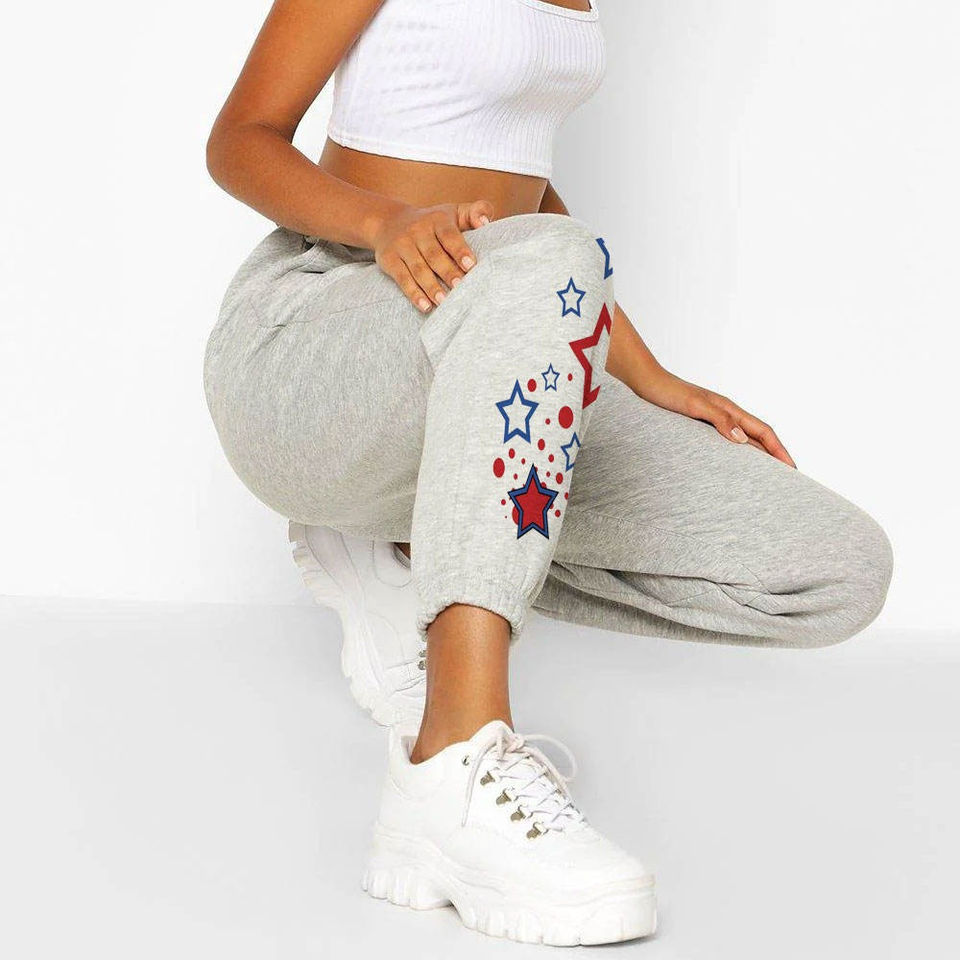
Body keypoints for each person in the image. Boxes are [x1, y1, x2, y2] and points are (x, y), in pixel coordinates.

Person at [204, 0, 892, 945]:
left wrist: (644, 372)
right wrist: (386, 222)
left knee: (835, 568)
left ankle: (407, 544)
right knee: (544, 258)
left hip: (489, 351)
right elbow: (240, 139)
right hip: (318, 338)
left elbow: (522, 202)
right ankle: (450, 764)